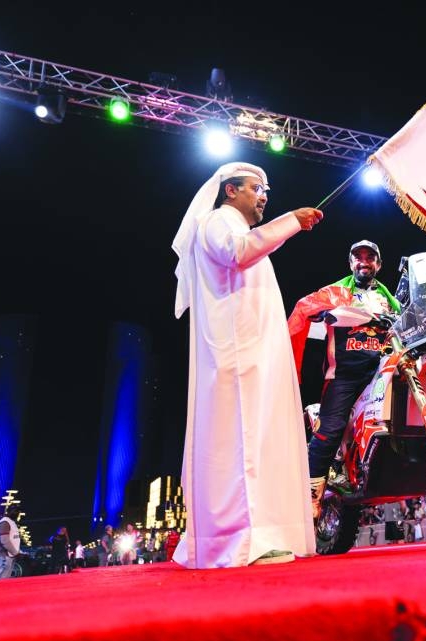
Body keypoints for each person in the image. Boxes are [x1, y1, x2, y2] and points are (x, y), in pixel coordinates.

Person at [171, 162, 321, 568]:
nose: (265, 195)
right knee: (241, 443)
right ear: (231, 190)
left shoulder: (236, 227)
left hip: (253, 357)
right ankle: (243, 540)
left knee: (257, 442)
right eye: (257, 188)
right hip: (235, 360)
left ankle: (266, 533)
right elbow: (238, 253)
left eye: (267, 189)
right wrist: (291, 221)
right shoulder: (219, 222)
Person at [287, 240, 401, 518]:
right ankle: (309, 502)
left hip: (380, 369)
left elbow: (409, 323)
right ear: (351, 264)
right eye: (358, 257)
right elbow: (305, 307)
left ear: (379, 264)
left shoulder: (391, 299)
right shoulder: (337, 291)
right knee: (330, 430)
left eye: (370, 257)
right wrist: (321, 313)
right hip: (345, 374)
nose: (364, 262)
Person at [0, 506, 21, 580]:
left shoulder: (12, 522)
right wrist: (16, 553)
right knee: (0, 580)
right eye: (14, 511)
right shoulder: (5, 522)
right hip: (4, 556)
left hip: (9, 556)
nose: (16, 513)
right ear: (8, 511)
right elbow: (5, 541)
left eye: (17, 511)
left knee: (5, 581)